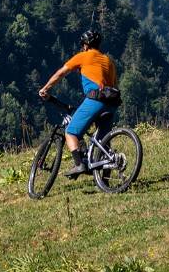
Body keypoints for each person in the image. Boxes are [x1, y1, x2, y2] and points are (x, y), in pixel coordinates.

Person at [38, 29, 119, 177]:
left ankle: (79, 164)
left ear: (86, 45)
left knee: (71, 132)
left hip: (95, 100)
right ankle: (105, 181)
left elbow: (61, 73)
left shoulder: (84, 56)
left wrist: (45, 88)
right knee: (104, 143)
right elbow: (114, 85)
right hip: (112, 103)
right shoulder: (109, 61)